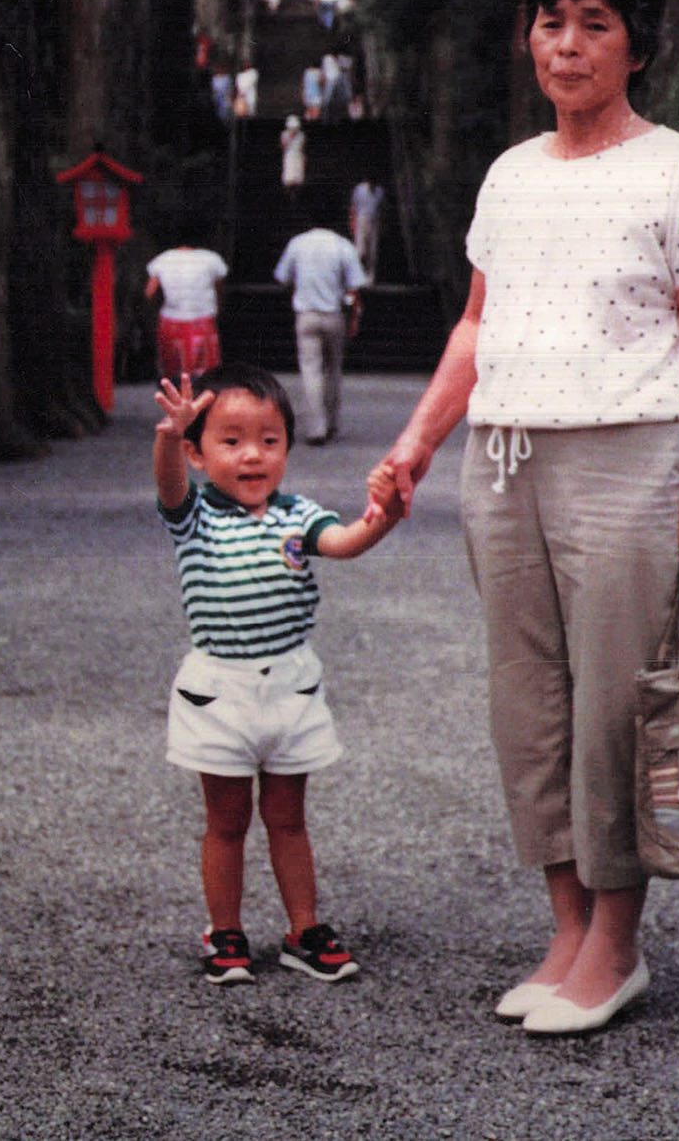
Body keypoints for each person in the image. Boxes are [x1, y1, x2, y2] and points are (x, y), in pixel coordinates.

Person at [380, 0, 679, 1038]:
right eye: (549, 21)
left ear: (635, 45)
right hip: (503, 460)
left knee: (614, 694)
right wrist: (415, 440)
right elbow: (476, 326)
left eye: (592, 23)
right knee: (526, 697)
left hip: (629, 455)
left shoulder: (677, 166)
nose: (566, 43)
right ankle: (566, 924)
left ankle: (616, 945)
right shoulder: (510, 172)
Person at [154, 364, 404, 985]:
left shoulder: (298, 515)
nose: (252, 455)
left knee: (290, 817)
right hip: (219, 690)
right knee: (227, 821)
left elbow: (344, 542)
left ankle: (303, 926)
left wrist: (387, 514)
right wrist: (165, 437)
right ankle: (226, 931)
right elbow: (167, 489)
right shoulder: (196, 517)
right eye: (230, 440)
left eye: (270, 440)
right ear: (196, 452)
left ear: (288, 449)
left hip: (291, 684)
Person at [273, 215, 367, 445]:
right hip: (334, 314)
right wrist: (354, 318)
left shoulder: (297, 243)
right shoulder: (343, 246)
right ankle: (333, 422)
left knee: (311, 371)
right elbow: (354, 288)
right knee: (334, 369)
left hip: (306, 314)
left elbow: (282, 277)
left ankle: (316, 427)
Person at [146, 236, 229, 383]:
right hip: (202, 319)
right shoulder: (211, 259)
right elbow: (220, 288)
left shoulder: (163, 259)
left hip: (171, 320)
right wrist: (218, 306)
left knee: (172, 372)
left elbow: (150, 292)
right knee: (205, 372)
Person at [349, 178, 383, 286]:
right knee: (360, 251)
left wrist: (382, 224)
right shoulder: (359, 189)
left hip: (374, 221)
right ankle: (357, 277)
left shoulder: (380, 191)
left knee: (372, 251)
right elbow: (353, 208)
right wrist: (353, 223)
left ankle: (370, 278)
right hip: (361, 220)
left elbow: (382, 209)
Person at [279, 114, 306, 193]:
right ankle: (287, 191)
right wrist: (290, 138)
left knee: (298, 175)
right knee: (289, 174)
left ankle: (297, 191)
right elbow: (283, 146)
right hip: (289, 155)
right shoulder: (284, 134)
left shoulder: (301, 135)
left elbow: (302, 146)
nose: (294, 130)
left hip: (297, 155)